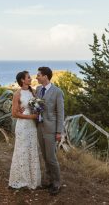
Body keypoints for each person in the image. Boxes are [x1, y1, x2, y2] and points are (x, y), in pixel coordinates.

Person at [8, 71, 41, 189]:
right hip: (23, 125)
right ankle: (21, 180)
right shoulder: (17, 93)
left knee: (31, 150)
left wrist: (37, 112)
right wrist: (30, 116)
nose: (30, 79)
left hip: (32, 126)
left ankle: (33, 180)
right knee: (22, 150)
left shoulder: (33, 92)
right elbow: (14, 114)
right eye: (28, 77)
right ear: (22, 80)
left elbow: (37, 107)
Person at [35, 66, 64, 195]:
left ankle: (57, 183)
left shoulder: (57, 92)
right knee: (45, 156)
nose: (37, 77)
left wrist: (59, 132)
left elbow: (60, 113)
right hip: (39, 127)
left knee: (51, 157)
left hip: (51, 128)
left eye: (39, 75)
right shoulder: (38, 89)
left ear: (45, 76)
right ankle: (48, 181)